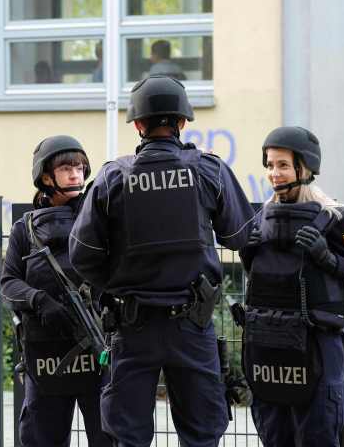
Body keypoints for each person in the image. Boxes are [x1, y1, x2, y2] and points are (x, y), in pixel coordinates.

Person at [69, 75, 255, 447]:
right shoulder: (209, 170)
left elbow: (82, 256)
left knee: (128, 436)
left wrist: (118, 283)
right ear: (183, 122)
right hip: (192, 325)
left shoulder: (112, 178)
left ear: (138, 125)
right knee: (202, 435)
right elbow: (242, 236)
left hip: (132, 327)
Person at [239, 127, 344, 446]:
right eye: (270, 165)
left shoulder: (335, 218)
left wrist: (327, 257)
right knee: (275, 436)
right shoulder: (261, 218)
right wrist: (248, 254)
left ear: (304, 168)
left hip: (316, 348)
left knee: (318, 434)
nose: (274, 173)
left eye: (283, 165)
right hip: (268, 347)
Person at [1, 135, 110, 447]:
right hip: (46, 354)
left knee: (108, 437)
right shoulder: (26, 228)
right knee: (40, 438)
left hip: (98, 352)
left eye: (80, 167)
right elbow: (8, 283)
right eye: (66, 168)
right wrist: (39, 300)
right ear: (46, 177)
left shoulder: (99, 220)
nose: (76, 174)